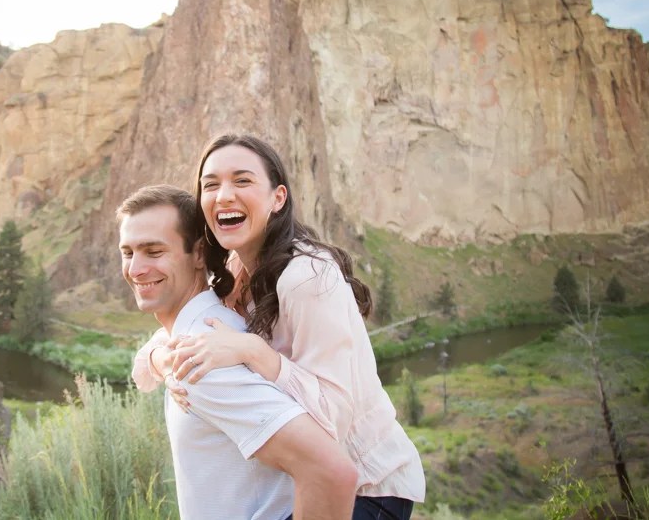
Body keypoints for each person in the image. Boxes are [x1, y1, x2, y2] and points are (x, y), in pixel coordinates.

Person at [132, 134, 426, 520]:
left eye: (242, 181)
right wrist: (162, 360)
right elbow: (162, 348)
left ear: (278, 198)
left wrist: (253, 352)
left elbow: (332, 421)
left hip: (369, 491)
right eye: (211, 184)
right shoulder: (237, 272)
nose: (223, 195)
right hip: (314, 482)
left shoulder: (306, 276)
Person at [117, 184, 358, 520]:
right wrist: (160, 361)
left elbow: (332, 473)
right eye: (128, 253)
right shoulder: (215, 330)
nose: (136, 269)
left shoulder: (204, 360)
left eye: (154, 252)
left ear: (199, 253)